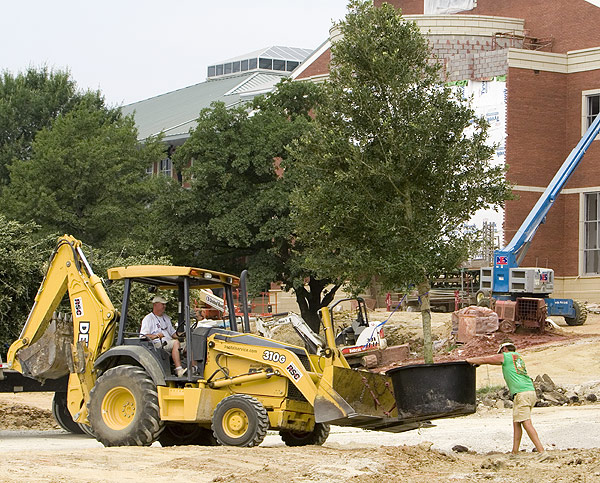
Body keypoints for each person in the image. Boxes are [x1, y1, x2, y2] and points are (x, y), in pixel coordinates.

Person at [466, 341, 549, 461]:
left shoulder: (507, 356)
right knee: (517, 423)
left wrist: (470, 360)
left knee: (526, 423)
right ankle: (514, 453)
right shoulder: (518, 358)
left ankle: (541, 451)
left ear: (504, 349)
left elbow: (486, 359)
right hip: (529, 391)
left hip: (522, 393)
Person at [140, 295, 186, 377]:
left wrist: (183, 334)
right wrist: (156, 336)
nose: (164, 306)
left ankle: (193, 368)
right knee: (175, 343)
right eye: (162, 304)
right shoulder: (148, 319)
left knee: (188, 345)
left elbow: (173, 334)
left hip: (168, 342)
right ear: (155, 305)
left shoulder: (166, 318)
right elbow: (143, 335)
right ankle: (179, 370)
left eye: (165, 304)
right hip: (157, 344)